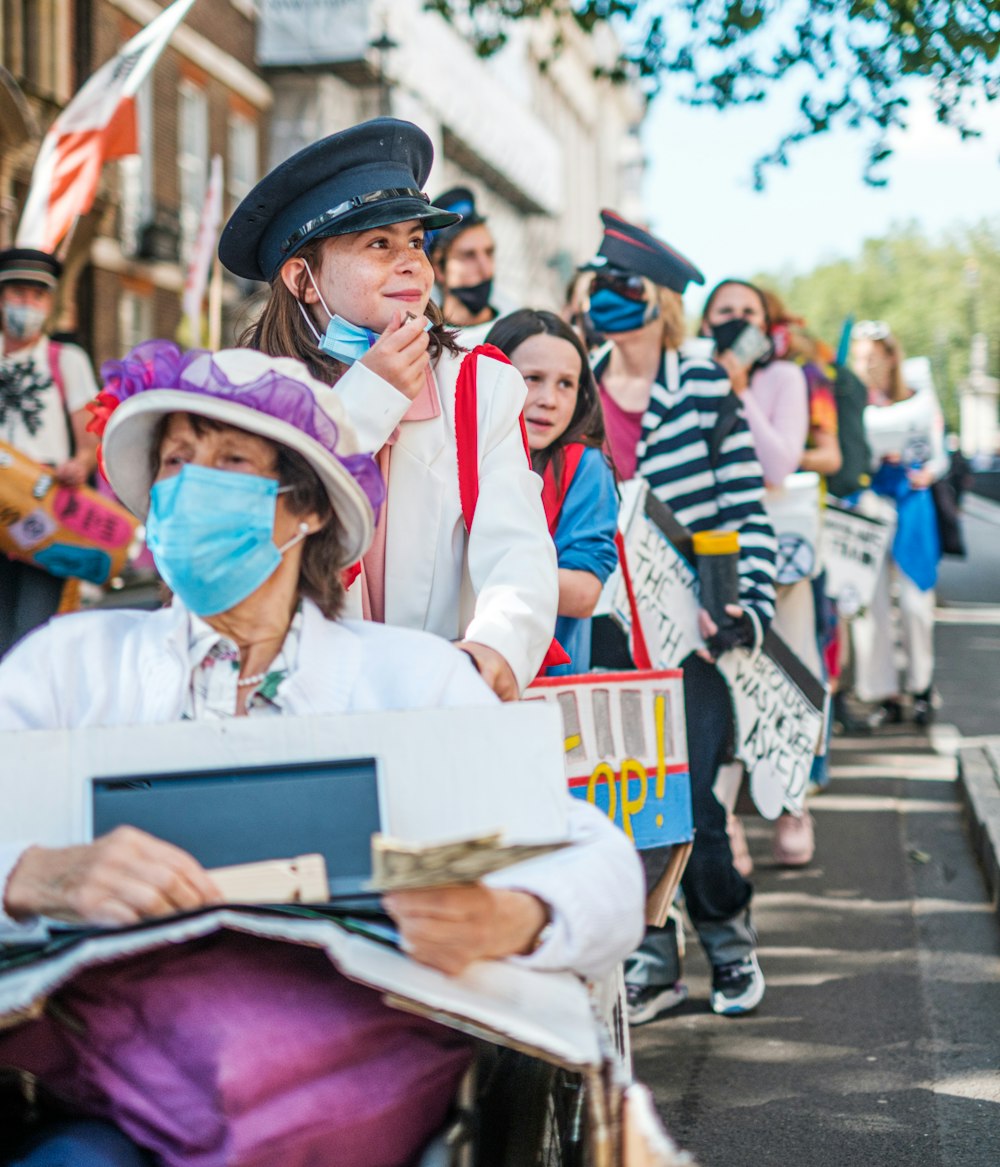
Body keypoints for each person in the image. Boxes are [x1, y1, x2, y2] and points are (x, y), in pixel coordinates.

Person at [0, 343, 644, 1166]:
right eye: (175, 461)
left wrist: (511, 916)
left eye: (230, 460)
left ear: (306, 511)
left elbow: (597, 860)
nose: (192, 484)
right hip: (108, 1106)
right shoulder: (66, 664)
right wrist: (30, 876)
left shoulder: (412, 681)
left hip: (361, 1113)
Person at [219, 118, 557, 700]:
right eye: (379, 244)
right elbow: (246, 549)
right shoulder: (242, 392)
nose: (411, 264)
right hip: (294, 708)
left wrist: (496, 648)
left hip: (439, 704)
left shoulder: (479, 381)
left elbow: (517, 548)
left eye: (416, 242)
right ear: (303, 278)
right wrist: (367, 399)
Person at [583, 211, 777, 1021]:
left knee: (695, 798)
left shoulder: (698, 382)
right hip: (600, 626)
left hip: (687, 630)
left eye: (623, 285)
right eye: (601, 283)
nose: (607, 297)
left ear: (658, 299)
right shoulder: (577, 381)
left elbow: (740, 503)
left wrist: (743, 602)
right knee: (624, 798)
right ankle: (653, 958)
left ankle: (729, 942)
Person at [700, 280, 818, 867]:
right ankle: (726, 815)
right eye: (725, 312)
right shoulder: (691, 376)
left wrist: (738, 391)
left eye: (749, 313)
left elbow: (778, 463)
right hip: (716, 548)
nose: (737, 322)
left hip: (781, 555)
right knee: (723, 671)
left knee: (787, 669)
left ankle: (793, 800)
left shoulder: (785, 379)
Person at [486, 309, 618, 674]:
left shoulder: (586, 466)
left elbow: (584, 593)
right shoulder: (452, 449)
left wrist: (481, 567)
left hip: (544, 689)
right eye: (533, 378)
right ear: (489, 376)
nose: (550, 399)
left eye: (566, 384)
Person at [0, 248, 99, 656]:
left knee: (33, 631)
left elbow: (89, 438)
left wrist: (80, 464)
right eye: (19, 294)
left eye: (37, 296)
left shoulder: (67, 360)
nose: (28, 304)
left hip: (46, 513)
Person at [850, 320, 947, 727]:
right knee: (868, 603)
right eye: (860, 359)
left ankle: (920, 684)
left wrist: (927, 473)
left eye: (872, 358)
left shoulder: (920, 399)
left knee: (914, 602)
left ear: (890, 358)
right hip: (871, 499)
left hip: (911, 501)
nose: (865, 366)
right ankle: (882, 692)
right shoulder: (853, 401)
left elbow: (940, 456)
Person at [424, 186, 511, 344]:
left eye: (489, 252)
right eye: (468, 256)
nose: (486, 270)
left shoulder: (516, 332)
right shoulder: (425, 339)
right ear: (438, 269)